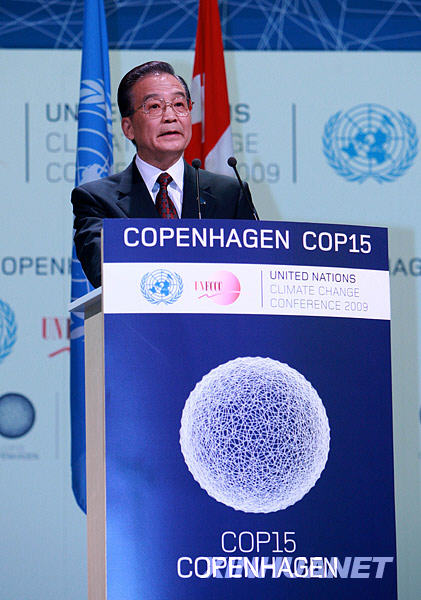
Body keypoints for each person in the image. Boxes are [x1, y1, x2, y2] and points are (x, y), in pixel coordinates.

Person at [72, 61, 255, 288]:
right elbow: (105, 274)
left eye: (179, 104)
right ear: (128, 128)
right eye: (155, 107)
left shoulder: (230, 195)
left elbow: (252, 275)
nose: (170, 116)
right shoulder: (97, 200)